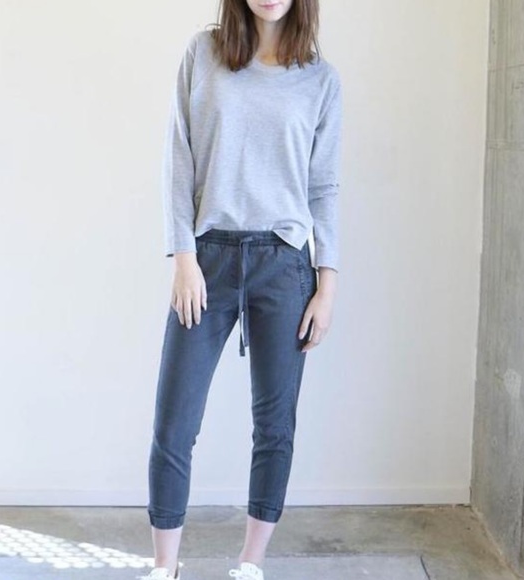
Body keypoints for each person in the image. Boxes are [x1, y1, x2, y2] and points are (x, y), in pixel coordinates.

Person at [142, 0, 342, 578]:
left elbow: (324, 186)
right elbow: (178, 157)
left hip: (285, 265)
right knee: (174, 422)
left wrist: (327, 284)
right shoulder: (203, 54)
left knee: (275, 425)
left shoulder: (321, 80)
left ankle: (250, 563)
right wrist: (183, 256)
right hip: (207, 259)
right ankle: (164, 567)